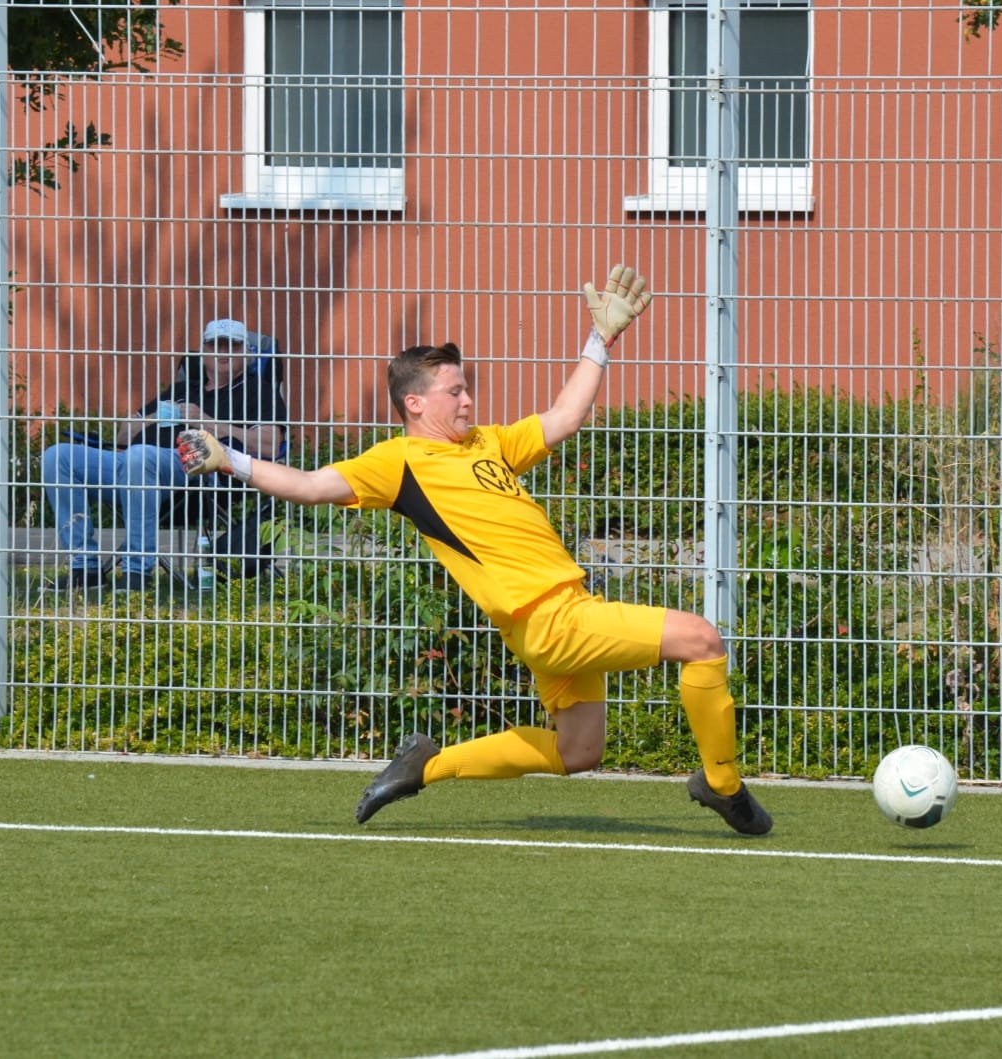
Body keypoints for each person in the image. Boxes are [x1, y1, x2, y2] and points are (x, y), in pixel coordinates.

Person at [176, 267, 773, 835]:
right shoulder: (398, 462)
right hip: (549, 620)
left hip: (565, 609)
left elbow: (565, 416)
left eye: (466, 389)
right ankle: (722, 785)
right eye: (455, 391)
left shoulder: (488, 443)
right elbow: (309, 485)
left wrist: (601, 338)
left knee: (579, 751)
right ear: (415, 403)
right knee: (702, 639)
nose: (467, 401)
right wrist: (231, 458)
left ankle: (425, 766)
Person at [42, 318, 290, 592]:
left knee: (140, 457)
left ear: (247, 352)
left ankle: (137, 571)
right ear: (203, 352)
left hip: (201, 473)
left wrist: (208, 423)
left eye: (232, 345)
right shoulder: (182, 390)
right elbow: (124, 435)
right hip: (134, 467)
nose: (223, 352)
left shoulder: (257, 391)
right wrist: (156, 417)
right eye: (215, 345)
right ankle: (84, 567)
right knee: (59, 456)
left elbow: (270, 446)